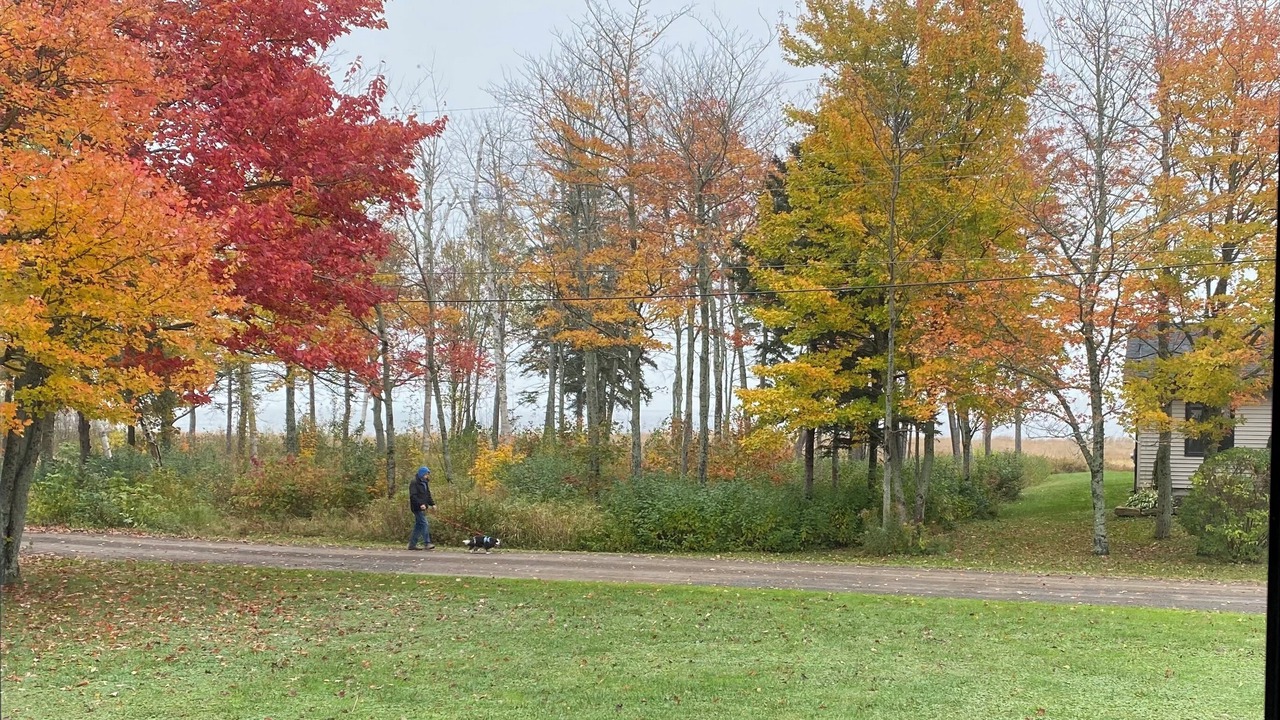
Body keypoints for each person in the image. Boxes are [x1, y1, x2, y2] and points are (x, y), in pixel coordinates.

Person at [408, 466, 436, 550]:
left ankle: (412, 545)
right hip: (416, 507)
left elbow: (427, 494)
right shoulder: (414, 482)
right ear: (421, 474)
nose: (427, 476)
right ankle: (427, 543)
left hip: (423, 507)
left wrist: (432, 504)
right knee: (424, 523)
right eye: (426, 474)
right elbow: (413, 496)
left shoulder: (425, 482)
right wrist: (420, 504)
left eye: (427, 474)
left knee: (418, 526)